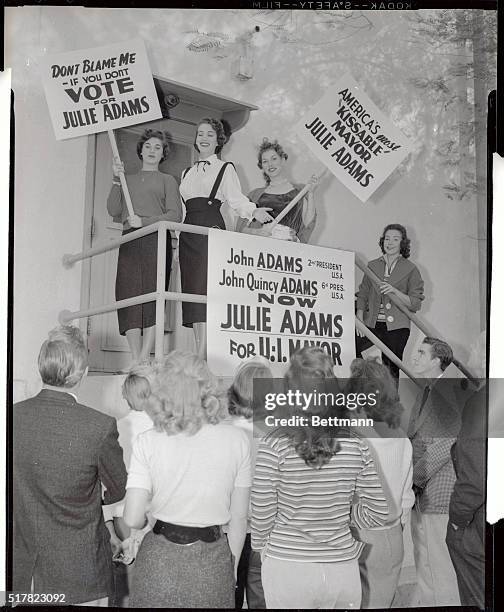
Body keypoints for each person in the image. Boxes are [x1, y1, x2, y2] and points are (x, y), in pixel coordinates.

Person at [251, 346, 388, 609]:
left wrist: (260, 545)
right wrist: (341, 515)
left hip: (287, 565)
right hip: (342, 569)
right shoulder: (356, 443)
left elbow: (262, 511)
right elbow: (379, 512)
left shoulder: (274, 443)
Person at [123, 350, 251, 608]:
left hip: (158, 562)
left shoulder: (148, 440)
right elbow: (239, 518)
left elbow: (132, 518)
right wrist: (232, 567)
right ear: (208, 389)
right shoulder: (237, 440)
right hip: (213, 561)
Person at [13, 326, 127, 606]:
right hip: (81, 575)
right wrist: (91, 494)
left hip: (21, 573)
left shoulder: (11, 417)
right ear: (83, 374)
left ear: (41, 366)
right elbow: (119, 488)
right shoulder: (99, 426)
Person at [178, 118, 273, 359]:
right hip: (188, 231)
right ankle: (199, 350)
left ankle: (203, 354)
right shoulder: (186, 172)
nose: (204, 138)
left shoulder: (225, 168)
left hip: (210, 229)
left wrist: (254, 211)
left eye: (210, 134)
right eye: (200, 133)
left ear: (218, 139)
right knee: (191, 293)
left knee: (204, 289)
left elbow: (236, 199)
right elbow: (182, 209)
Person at [107, 128, 182, 366]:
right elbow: (113, 210)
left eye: (157, 147)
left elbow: (175, 215)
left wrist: (146, 221)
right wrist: (116, 179)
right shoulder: (126, 179)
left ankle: (145, 357)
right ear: (141, 150)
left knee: (152, 296)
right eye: (148, 146)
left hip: (155, 241)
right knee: (128, 295)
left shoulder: (167, 180)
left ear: (163, 154)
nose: (152, 151)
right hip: (129, 240)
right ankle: (135, 358)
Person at [346, 358, 414, 609]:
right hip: (393, 535)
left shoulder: (352, 437)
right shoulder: (401, 437)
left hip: (359, 536)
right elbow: (406, 497)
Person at [408, 337, 461, 607]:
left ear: (436, 360)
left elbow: (444, 445)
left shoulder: (447, 392)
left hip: (438, 493)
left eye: (421, 353)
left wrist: (412, 479)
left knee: (440, 564)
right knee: (424, 558)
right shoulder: (425, 391)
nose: (414, 357)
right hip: (421, 495)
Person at [228, 358, 273, 610]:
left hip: (228, 529)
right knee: (261, 597)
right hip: (262, 532)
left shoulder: (224, 432)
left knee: (229, 597)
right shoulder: (277, 436)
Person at [446, 332, 486, 609]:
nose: (470, 348)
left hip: (479, 525)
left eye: (475, 343)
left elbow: (475, 478)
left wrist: (457, 520)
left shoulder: (482, 401)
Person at [356, 224, 424, 381]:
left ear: (403, 243)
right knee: (349, 347)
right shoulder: (372, 265)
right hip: (371, 323)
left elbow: (415, 303)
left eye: (395, 239)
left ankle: (389, 404)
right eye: (387, 238)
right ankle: (366, 386)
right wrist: (359, 318)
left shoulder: (411, 269)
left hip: (397, 327)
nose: (390, 242)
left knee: (390, 369)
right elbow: (363, 293)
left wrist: (395, 291)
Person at [237, 138, 318, 242]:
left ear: (283, 159)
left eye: (274, 159)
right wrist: (258, 232)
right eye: (265, 161)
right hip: (260, 248)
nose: (270, 164)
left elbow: (308, 224)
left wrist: (310, 193)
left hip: (289, 250)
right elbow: (240, 229)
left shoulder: (301, 191)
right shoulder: (254, 195)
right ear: (262, 166)